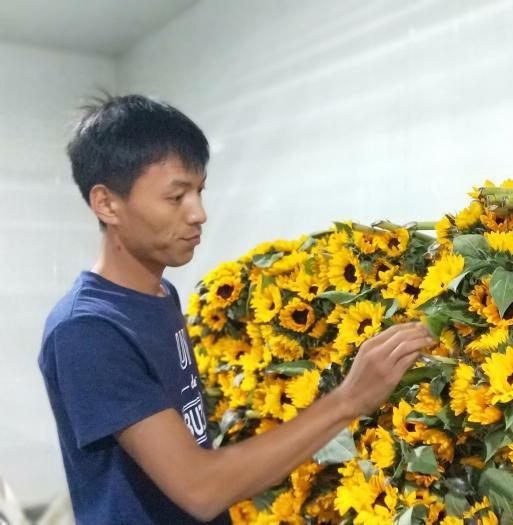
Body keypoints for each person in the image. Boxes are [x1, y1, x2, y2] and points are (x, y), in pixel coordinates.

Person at [38, 94, 434, 524]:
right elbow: (200, 489)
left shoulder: (159, 295)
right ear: (107, 203)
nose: (199, 214)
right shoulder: (87, 330)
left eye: (199, 191)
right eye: (176, 197)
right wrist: (349, 399)